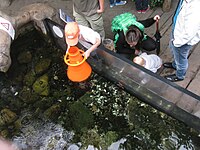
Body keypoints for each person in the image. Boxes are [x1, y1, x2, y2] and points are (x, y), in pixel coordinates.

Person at [163, 0, 200, 82]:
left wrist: (177, 43)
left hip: (182, 41)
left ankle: (180, 75)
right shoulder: (187, 1)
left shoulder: (195, 8)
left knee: (181, 59)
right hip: (178, 31)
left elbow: (189, 33)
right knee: (177, 55)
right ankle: (175, 64)